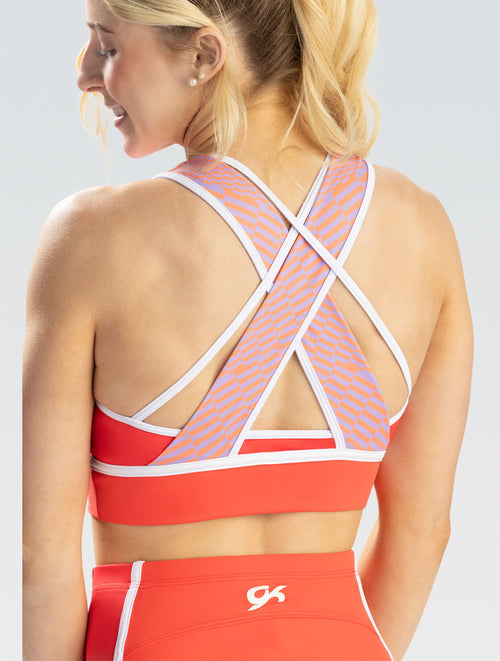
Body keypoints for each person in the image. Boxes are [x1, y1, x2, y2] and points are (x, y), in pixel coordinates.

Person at [22, 0, 473, 659]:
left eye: (108, 45)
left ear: (204, 54)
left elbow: (43, 558)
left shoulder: (91, 239)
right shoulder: (424, 229)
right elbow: (423, 531)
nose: (86, 74)